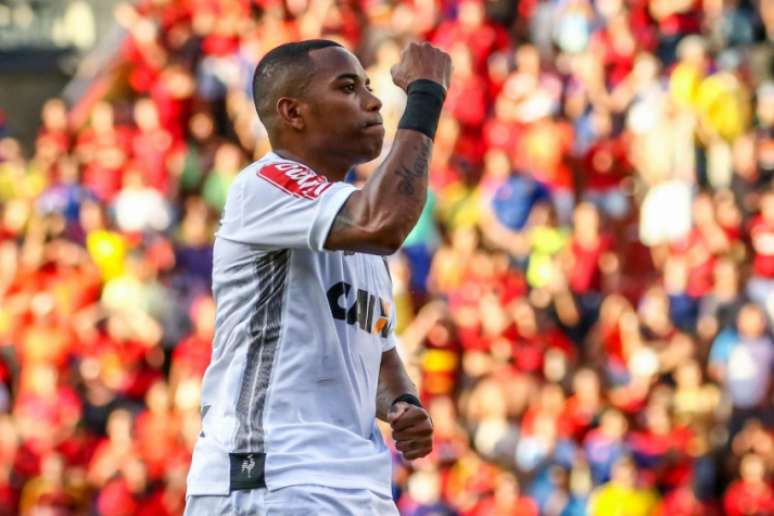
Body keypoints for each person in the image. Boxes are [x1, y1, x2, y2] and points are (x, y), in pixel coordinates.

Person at [184, 39, 453, 515]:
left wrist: (402, 402)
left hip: (356, 483)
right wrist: (426, 95)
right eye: (348, 87)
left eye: (369, 86)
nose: (372, 100)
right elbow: (384, 221)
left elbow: (377, 353)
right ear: (293, 112)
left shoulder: (354, 229)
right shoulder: (266, 183)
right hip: (272, 475)